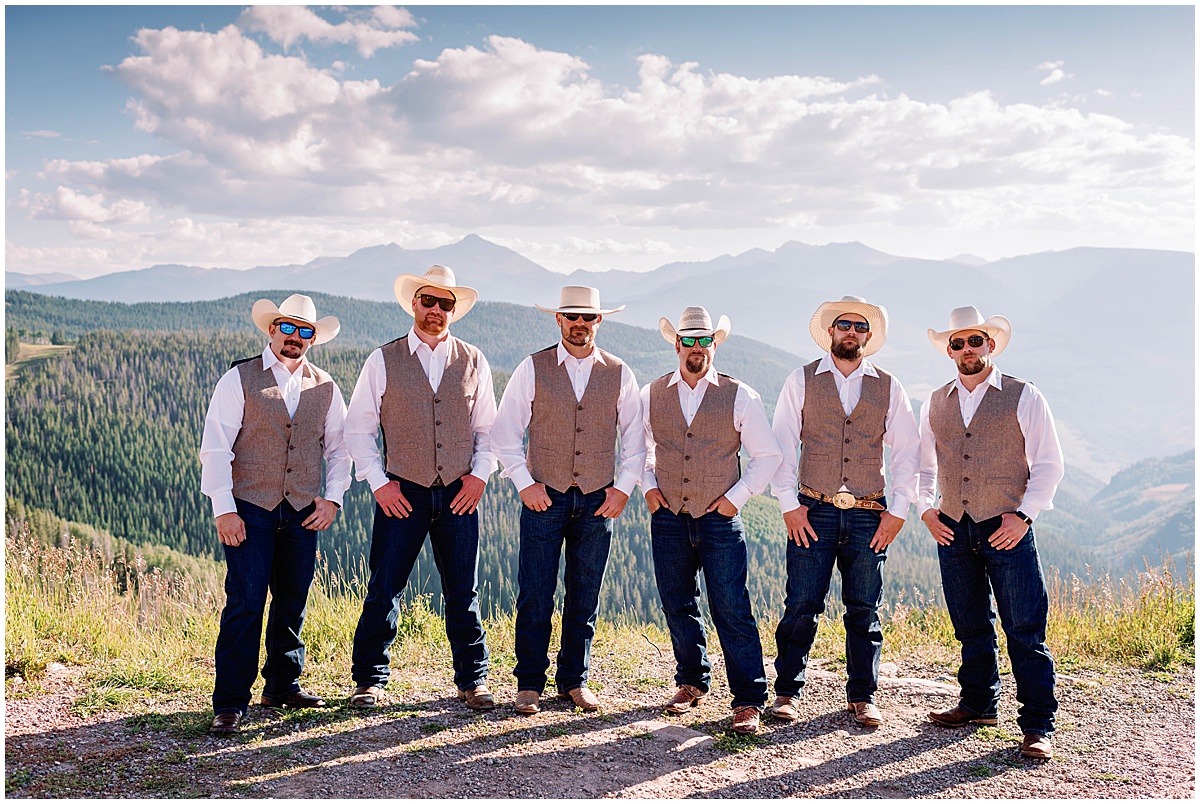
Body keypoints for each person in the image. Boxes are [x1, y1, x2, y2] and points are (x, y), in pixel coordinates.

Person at [344, 265, 498, 711]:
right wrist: (379, 483)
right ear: (413, 303)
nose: (435, 310)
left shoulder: (474, 359)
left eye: (444, 304)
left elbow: (487, 429)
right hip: (401, 492)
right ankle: (370, 680)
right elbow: (359, 431)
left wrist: (479, 475)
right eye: (428, 301)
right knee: (385, 586)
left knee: (462, 590)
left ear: (454, 310)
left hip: (459, 492)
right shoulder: (383, 359)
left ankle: (473, 680)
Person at [918, 306, 1064, 760]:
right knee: (970, 625)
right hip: (953, 529)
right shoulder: (935, 400)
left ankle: (1038, 724)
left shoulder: (1024, 395)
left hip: (1007, 528)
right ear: (949, 350)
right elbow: (922, 465)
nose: (966, 349)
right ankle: (979, 703)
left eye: (974, 341)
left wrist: (1023, 516)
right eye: (957, 343)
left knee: (1024, 627)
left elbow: (1049, 465)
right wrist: (926, 511)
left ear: (991, 345)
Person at [200, 294, 350, 734]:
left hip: (303, 510)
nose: (296, 338)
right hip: (249, 510)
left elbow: (339, 449)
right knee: (245, 602)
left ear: (313, 339)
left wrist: (333, 498)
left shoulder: (325, 385)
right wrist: (223, 509)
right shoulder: (239, 378)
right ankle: (229, 701)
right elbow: (215, 447)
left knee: (292, 600)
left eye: (306, 331)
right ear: (272, 330)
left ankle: (282, 685)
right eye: (289, 328)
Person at [492, 287, 645, 714]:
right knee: (535, 592)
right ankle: (529, 684)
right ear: (558, 319)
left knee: (585, 594)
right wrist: (524, 483)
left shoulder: (619, 372)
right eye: (571, 316)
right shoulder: (532, 368)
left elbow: (635, 441)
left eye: (588, 317)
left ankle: (574, 681)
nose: (580, 323)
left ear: (599, 321)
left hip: (598, 498)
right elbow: (505, 435)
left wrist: (623, 489)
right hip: (545, 496)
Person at [769, 295, 920, 727]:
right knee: (801, 604)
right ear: (830, 331)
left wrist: (899, 511)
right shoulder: (801, 380)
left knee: (864, 608)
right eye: (843, 324)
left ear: (868, 336)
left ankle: (863, 696)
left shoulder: (889, 385)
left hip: (870, 513)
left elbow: (908, 451)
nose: (851, 332)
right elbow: (782, 444)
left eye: (859, 326)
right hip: (811, 509)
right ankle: (786, 692)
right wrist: (788, 505)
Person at [641, 306, 782, 735]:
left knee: (732, 608)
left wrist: (735, 500)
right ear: (677, 344)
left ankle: (749, 699)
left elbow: (767, 456)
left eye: (705, 340)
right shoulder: (652, 394)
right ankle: (691, 681)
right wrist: (649, 490)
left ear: (715, 344)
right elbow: (640, 450)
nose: (697, 348)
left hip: (720, 520)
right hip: (668, 518)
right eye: (689, 340)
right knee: (677, 602)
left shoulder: (741, 395)